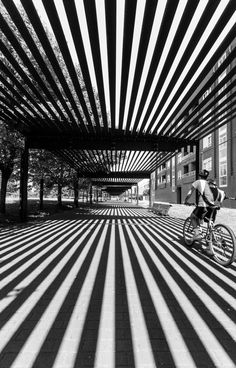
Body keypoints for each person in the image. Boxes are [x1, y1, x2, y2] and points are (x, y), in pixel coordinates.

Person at [184, 169, 215, 254]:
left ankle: (197, 234)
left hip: (203, 205)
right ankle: (209, 247)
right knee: (209, 224)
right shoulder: (209, 183)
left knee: (192, 217)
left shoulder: (198, 182)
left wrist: (186, 200)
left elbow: (190, 192)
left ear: (199, 175)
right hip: (212, 206)